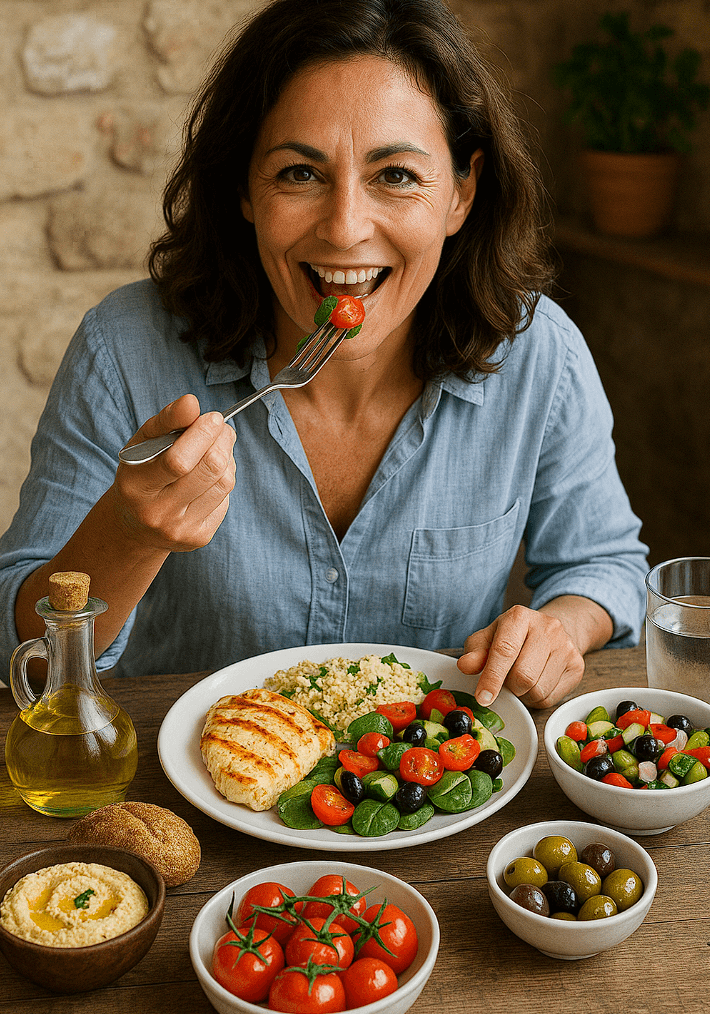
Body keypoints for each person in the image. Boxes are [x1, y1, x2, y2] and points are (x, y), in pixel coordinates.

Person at [0, 0, 647, 707]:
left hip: (431, 796)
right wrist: (126, 536)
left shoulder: (536, 353)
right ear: (245, 187)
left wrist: (560, 626)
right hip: (181, 795)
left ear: (461, 191)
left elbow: (606, 565)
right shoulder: (124, 348)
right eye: (299, 174)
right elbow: (21, 658)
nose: (344, 229)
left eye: (396, 175)